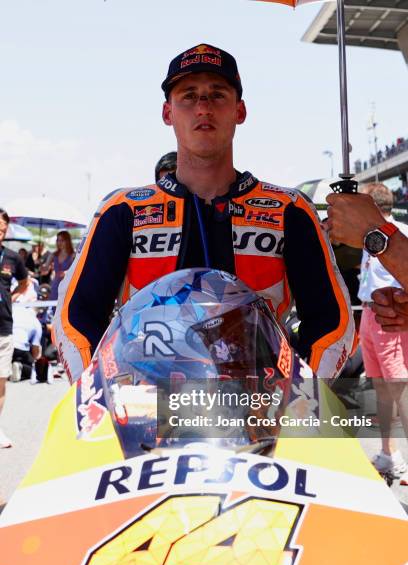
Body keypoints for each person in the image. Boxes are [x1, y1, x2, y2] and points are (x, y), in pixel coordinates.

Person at [54, 43, 355, 384]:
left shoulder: (290, 210)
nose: (203, 108)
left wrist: (302, 396)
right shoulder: (123, 210)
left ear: (239, 111)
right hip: (144, 410)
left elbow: (333, 321)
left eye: (217, 95)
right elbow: (75, 316)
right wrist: (94, 393)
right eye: (189, 95)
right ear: (168, 113)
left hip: (260, 409)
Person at [355, 183, 408, 476]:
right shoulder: (372, 235)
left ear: (370, 207)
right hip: (369, 313)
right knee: (382, 389)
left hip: (391, 314)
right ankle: (389, 453)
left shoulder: (397, 233)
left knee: (400, 388)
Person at [0, 209, 29, 448]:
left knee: (1, 381)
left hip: (4, 327)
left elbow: (24, 282)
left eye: (2, 229)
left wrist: (13, 295)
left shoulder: (11, 257)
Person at [10, 304, 42, 382]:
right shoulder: (36, 322)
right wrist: (36, 358)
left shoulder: (14, 309)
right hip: (20, 348)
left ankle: (10, 368)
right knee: (35, 370)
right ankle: (21, 367)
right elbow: (35, 351)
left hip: (5, 342)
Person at [42, 231, 75, 300]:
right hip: (56, 285)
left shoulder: (73, 255)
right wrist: (43, 267)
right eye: (58, 240)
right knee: (54, 306)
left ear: (67, 241)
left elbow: (77, 270)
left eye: (62, 240)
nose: (59, 243)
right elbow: (45, 270)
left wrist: (67, 272)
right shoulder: (53, 255)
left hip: (68, 285)